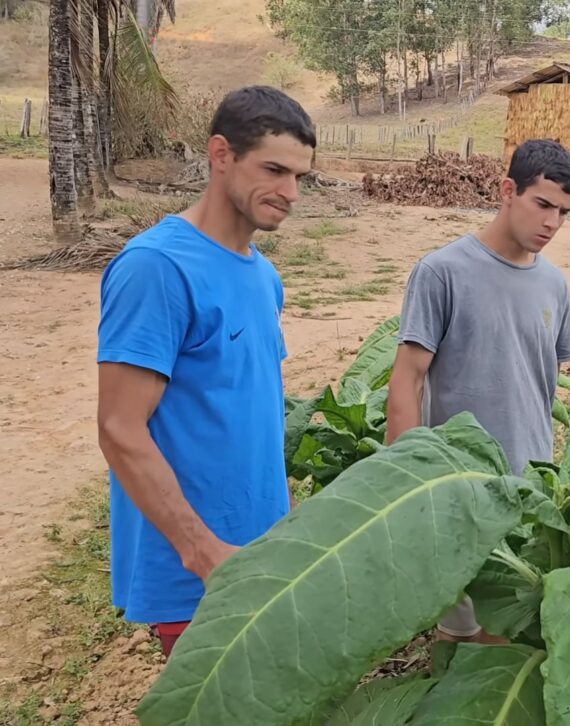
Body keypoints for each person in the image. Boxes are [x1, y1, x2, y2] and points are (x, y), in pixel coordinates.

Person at [96, 86, 315, 657]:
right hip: (196, 571)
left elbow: (248, 410)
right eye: (273, 169)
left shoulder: (263, 275)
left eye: (300, 177)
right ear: (221, 155)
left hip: (260, 553)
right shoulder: (157, 268)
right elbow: (120, 429)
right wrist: (204, 554)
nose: (289, 192)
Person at [385, 138, 570, 643]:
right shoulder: (443, 272)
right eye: (542, 205)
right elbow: (407, 379)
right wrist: (403, 480)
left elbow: (539, 381)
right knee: (468, 637)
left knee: (518, 633)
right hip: (459, 486)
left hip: (530, 487)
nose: (552, 224)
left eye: (563, 212)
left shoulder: (554, 285)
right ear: (507, 190)